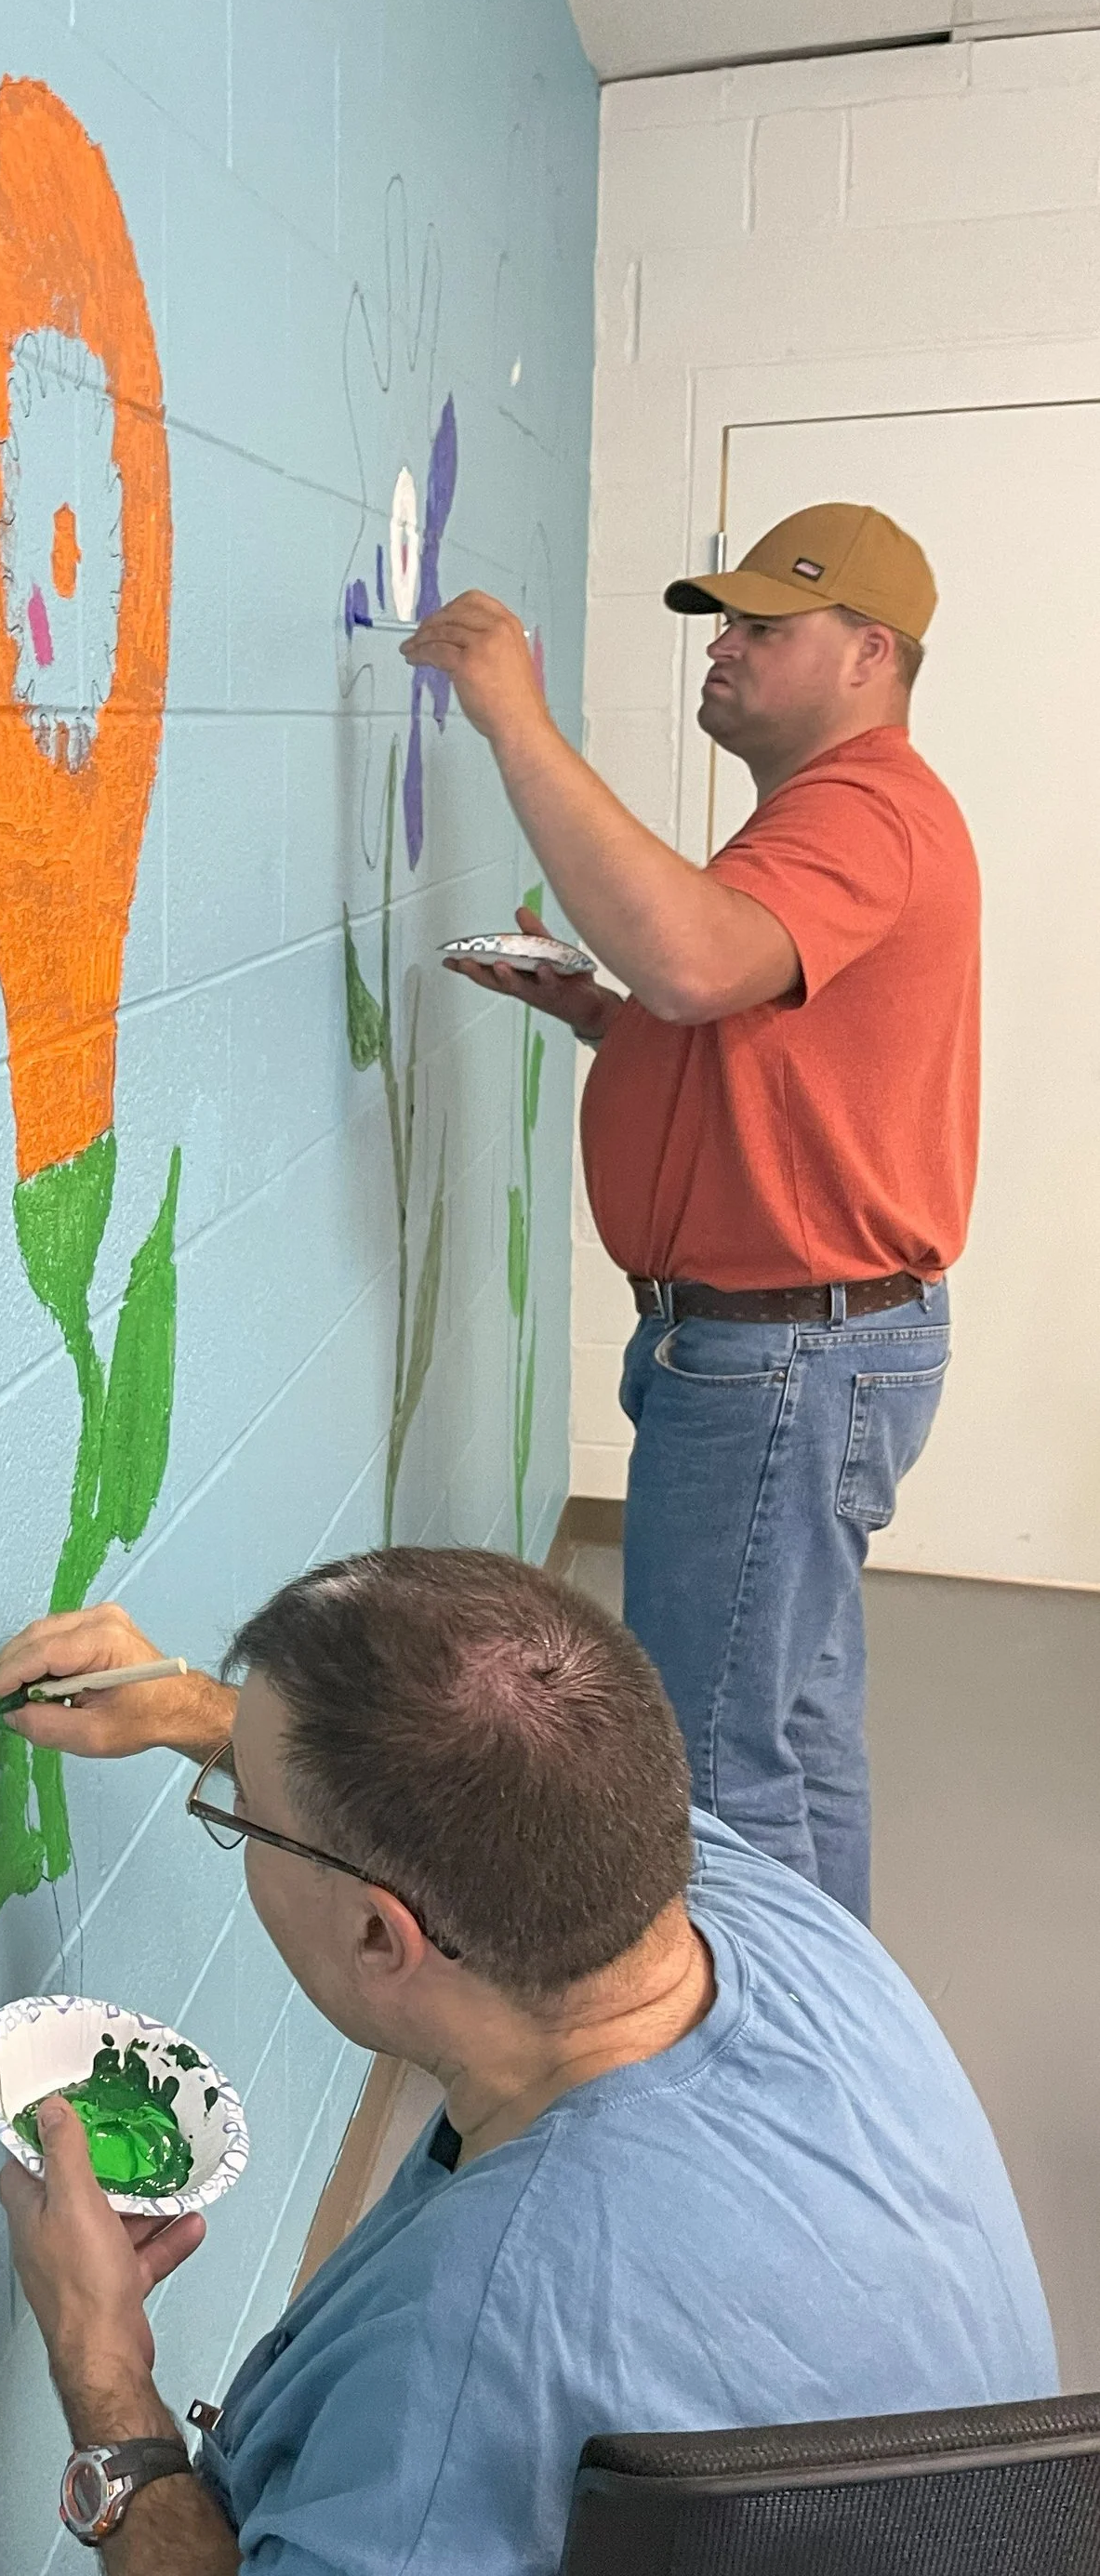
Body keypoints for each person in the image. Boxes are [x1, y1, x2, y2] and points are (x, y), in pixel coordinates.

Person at [0, 1556, 1053, 2576]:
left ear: (382, 1940)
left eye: (243, 1819)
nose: (233, 1801)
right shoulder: (767, 1916)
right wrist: (204, 1712)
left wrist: (102, 2372)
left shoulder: (468, 2356)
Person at [417, 507, 975, 1920]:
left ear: (869, 654)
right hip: (804, 1344)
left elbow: (688, 955)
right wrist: (591, 1008)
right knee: (792, 1728)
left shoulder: (862, 811)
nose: (719, 650)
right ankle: (837, 2048)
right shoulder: (826, 818)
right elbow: (736, 1037)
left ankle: (772, 2103)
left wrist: (511, 719)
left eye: (757, 629)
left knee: (715, 1764)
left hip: (786, 1357)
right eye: (718, 623)